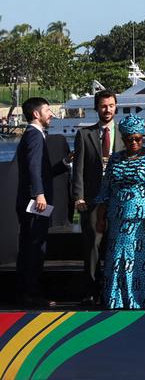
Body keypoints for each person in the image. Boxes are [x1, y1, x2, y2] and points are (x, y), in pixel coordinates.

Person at [91, 113, 145, 308]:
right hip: (116, 217)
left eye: (138, 138)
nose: (134, 142)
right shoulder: (115, 159)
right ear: (123, 139)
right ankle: (115, 300)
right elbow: (105, 189)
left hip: (141, 218)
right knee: (115, 259)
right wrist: (100, 217)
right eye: (129, 139)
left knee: (136, 260)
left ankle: (136, 300)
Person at [14, 97, 66, 308]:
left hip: (33, 201)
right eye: (47, 110)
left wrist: (64, 163)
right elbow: (34, 168)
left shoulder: (34, 136)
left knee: (32, 245)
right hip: (35, 204)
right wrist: (39, 194)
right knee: (34, 247)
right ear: (36, 114)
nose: (51, 114)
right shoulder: (35, 136)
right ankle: (30, 294)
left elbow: (41, 171)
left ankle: (27, 293)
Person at [71, 89, 118, 304]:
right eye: (103, 106)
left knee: (114, 248)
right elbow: (78, 169)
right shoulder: (84, 134)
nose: (107, 110)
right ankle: (90, 291)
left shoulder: (125, 134)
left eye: (110, 106)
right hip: (91, 201)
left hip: (118, 202)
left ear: (115, 107)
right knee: (92, 248)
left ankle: (112, 291)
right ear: (96, 108)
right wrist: (78, 196)